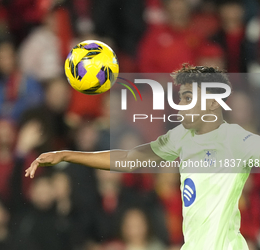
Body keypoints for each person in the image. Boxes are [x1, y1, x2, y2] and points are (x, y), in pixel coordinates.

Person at [25, 64, 259, 250]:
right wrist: (66, 154)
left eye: (187, 99)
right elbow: (128, 159)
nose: (179, 106)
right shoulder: (181, 137)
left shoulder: (238, 141)